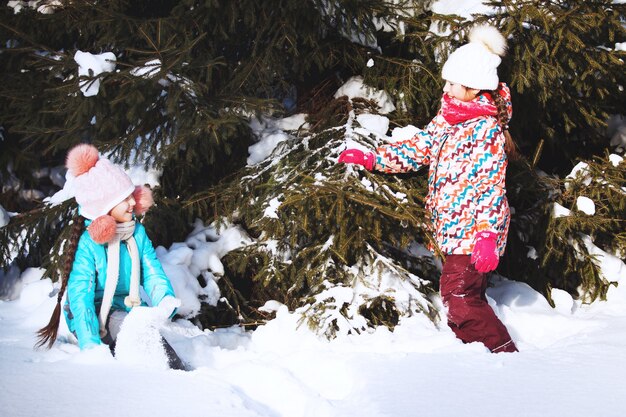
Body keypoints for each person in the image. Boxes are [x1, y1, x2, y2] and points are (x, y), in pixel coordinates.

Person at [338, 25, 518, 353]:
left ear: (474, 88)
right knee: (464, 298)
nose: (445, 88)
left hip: (474, 233)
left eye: (452, 83)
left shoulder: (485, 131)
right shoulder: (447, 118)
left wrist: (487, 236)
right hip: (453, 229)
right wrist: (373, 158)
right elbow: (417, 149)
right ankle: (479, 358)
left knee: (460, 299)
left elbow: (491, 186)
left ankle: (504, 358)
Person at [36, 144, 185, 367]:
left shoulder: (137, 234)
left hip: (127, 309)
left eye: (131, 195)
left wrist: (165, 301)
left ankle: (174, 371)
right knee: (139, 337)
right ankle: (168, 374)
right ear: (104, 207)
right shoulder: (88, 244)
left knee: (143, 333)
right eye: (124, 199)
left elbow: (152, 271)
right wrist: (91, 345)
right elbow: (80, 297)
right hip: (94, 315)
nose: (133, 202)